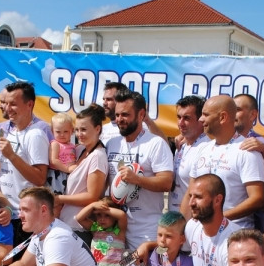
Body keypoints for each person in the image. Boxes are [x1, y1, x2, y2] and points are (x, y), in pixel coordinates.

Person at [105, 90, 174, 249]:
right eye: (117, 115)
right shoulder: (112, 143)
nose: (119, 120)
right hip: (114, 226)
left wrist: (137, 179)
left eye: (125, 115)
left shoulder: (155, 143)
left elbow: (166, 182)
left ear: (141, 114)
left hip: (145, 229)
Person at [0, 81, 49, 241]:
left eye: (14, 104)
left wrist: (11, 155)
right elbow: (9, 172)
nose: (8, 108)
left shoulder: (36, 134)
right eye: (6, 103)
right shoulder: (8, 131)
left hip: (25, 217)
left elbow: (39, 178)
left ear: (29, 104)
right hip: (7, 213)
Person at [184, 95, 264, 229]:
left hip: (235, 236)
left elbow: (257, 199)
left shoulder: (247, 150)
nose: (200, 119)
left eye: (205, 114)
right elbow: (189, 194)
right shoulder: (203, 149)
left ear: (222, 117)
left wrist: (219, 217)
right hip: (202, 234)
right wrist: (183, 229)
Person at [55, 105, 109, 233]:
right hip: (65, 223)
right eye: (77, 129)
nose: (79, 134)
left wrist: (59, 199)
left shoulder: (98, 156)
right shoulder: (79, 150)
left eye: (84, 129)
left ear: (97, 129)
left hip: (79, 228)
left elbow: (92, 197)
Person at [169, 95, 209, 213]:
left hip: (192, 218)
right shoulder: (182, 145)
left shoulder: (206, 149)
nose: (181, 123)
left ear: (201, 120)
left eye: (187, 118)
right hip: (175, 215)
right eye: (179, 117)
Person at [233, 93, 264, 177]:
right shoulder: (221, 139)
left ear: (252, 115)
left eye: (237, 110)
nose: (232, 114)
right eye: (231, 110)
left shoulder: (261, 142)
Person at [48, 112, 78, 194]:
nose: (62, 134)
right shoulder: (55, 144)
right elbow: (54, 160)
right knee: (57, 196)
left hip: (69, 174)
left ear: (71, 131)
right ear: (52, 131)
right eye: (58, 132)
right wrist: (67, 169)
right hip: (57, 175)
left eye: (65, 131)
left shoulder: (72, 145)